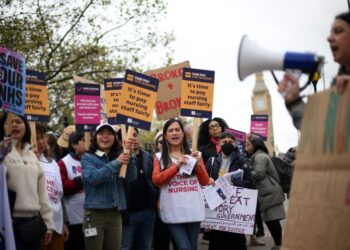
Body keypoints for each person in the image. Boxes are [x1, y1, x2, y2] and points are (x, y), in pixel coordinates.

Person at [279, 11, 350, 129]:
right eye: (330, 33)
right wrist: (294, 102)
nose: (329, 38)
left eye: (338, 31)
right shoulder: (337, 84)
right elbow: (320, 132)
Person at [152, 118, 210, 250]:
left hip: (193, 209)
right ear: (165, 136)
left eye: (177, 130)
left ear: (183, 133)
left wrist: (197, 164)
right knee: (184, 247)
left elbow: (205, 181)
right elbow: (156, 180)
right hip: (173, 210)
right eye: (170, 131)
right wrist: (176, 166)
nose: (174, 133)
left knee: (192, 246)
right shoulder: (159, 157)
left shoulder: (195, 154)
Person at [0, 112, 54, 250]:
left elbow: (42, 193)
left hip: (33, 226)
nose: (14, 125)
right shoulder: (1, 151)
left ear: (26, 127)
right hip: (8, 225)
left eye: (18, 121)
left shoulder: (32, 156)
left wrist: (48, 224)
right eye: (10, 122)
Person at [81, 123, 136, 250]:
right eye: (101, 133)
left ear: (115, 138)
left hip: (115, 215)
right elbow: (93, 178)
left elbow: (131, 177)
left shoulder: (120, 155)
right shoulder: (87, 158)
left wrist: (130, 153)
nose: (105, 136)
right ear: (95, 137)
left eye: (109, 133)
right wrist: (116, 163)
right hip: (94, 215)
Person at [205, 132, 253, 250]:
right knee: (217, 243)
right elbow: (203, 181)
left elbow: (250, 182)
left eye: (230, 142)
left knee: (236, 244)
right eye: (224, 142)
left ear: (235, 144)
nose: (227, 144)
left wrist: (232, 184)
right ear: (219, 144)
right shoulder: (212, 161)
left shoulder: (241, 160)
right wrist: (208, 180)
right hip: (218, 210)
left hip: (234, 211)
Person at [246, 136, 285, 250]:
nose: (246, 147)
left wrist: (245, 171)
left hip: (270, 193)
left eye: (248, 145)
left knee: (272, 220)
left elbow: (259, 174)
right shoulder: (259, 156)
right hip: (268, 192)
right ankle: (278, 244)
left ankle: (279, 245)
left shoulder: (260, 157)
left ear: (254, 145)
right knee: (270, 220)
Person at [121, 128, 157, 250]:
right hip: (127, 215)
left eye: (135, 135)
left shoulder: (147, 157)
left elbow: (153, 181)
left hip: (147, 213)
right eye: (129, 136)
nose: (133, 139)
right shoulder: (119, 158)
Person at [35, 124, 69, 250]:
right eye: (36, 138)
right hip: (38, 226)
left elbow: (59, 196)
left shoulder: (53, 163)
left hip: (57, 225)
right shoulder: (25, 162)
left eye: (42, 137)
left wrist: (64, 222)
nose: (41, 142)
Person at [58, 131, 86, 250]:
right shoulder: (63, 163)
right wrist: (82, 179)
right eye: (84, 140)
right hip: (73, 220)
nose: (88, 142)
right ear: (74, 144)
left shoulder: (91, 160)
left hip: (90, 218)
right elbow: (62, 187)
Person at [152, 131, 178, 250]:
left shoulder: (180, 157)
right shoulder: (153, 159)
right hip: (160, 207)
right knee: (161, 242)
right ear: (157, 145)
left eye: (165, 141)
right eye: (161, 142)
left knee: (179, 242)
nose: (164, 144)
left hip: (178, 206)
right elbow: (156, 180)